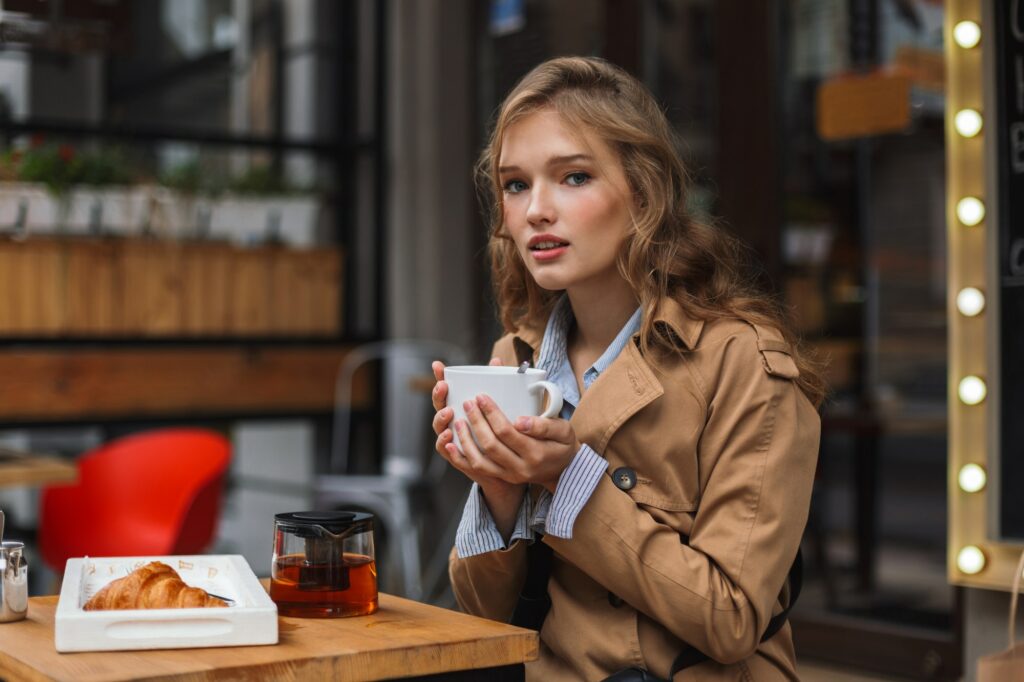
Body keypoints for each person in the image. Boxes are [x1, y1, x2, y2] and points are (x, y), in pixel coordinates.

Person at [430, 56, 824, 681]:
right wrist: (501, 495)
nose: (536, 210)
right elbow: (488, 617)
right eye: (515, 184)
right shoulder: (517, 359)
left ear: (644, 193)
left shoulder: (743, 360)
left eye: (574, 177)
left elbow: (731, 619)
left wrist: (569, 481)